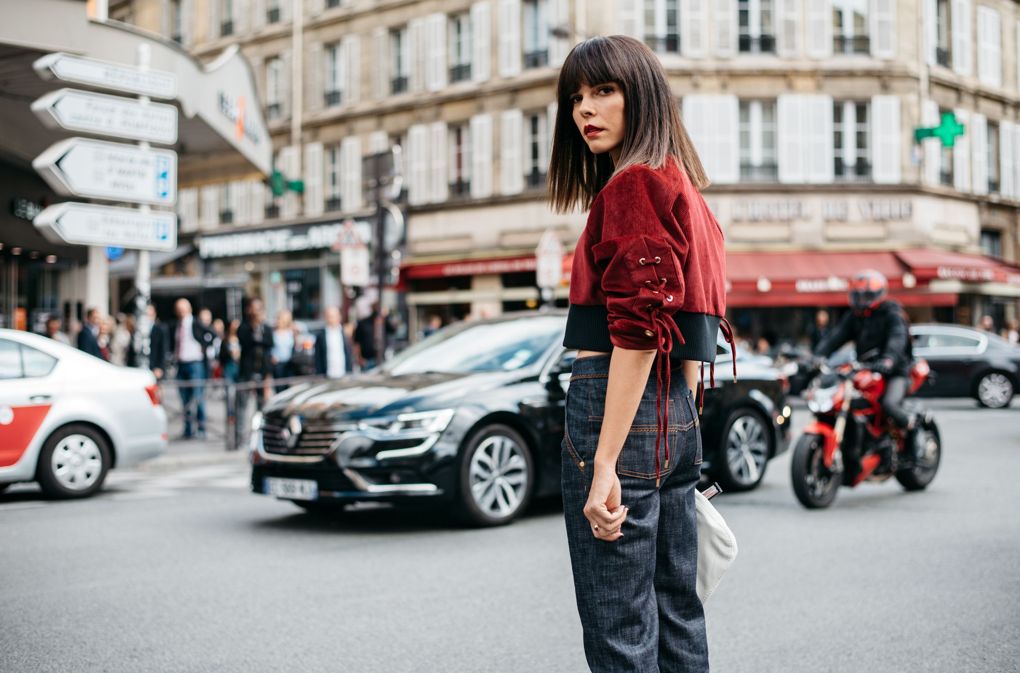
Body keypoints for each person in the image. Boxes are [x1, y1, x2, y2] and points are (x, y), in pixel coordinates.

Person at [550, 36, 729, 672]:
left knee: (619, 621)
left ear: (642, 95)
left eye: (603, 90)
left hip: (618, 409)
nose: (583, 110)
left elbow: (637, 329)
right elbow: (687, 332)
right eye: (576, 97)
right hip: (674, 409)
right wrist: (675, 421)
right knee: (678, 607)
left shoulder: (632, 186)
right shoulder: (688, 191)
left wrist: (605, 462)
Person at [814, 270, 914, 434]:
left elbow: (897, 339)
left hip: (894, 371)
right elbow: (835, 337)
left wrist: (888, 359)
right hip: (865, 368)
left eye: (866, 295)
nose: (861, 300)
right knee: (845, 400)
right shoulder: (855, 316)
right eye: (858, 296)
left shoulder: (892, 313)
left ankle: (912, 427)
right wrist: (818, 355)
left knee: (889, 405)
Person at [169, 298, 216, 439]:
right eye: (178, 309)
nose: (181, 312)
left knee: (198, 396)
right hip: (181, 363)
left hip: (195, 363)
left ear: (188, 309)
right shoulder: (177, 325)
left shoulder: (195, 322)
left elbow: (212, 334)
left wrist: (204, 345)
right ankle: (188, 429)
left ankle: (202, 428)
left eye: (183, 309)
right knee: (185, 398)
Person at [236, 299, 274, 445]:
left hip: (263, 372)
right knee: (243, 406)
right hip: (247, 372)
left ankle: (262, 436)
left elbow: (269, 342)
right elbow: (246, 341)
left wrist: (260, 329)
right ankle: (240, 438)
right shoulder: (244, 326)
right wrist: (254, 327)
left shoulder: (266, 328)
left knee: (262, 406)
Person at [313, 307, 355, 379]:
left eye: (334, 316)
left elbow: (349, 354)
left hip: (344, 374)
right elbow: (318, 358)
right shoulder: (321, 335)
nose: (331, 319)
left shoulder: (345, 333)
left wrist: (350, 371)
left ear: (339, 317)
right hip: (327, 375)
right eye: (329, 316)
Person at [353, 303, 396, 370]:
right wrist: (359, 358)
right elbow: (356, 342)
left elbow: (393, 330)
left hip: (381, 359)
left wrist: (386, 316)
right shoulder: (363, 323)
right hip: (367, 360)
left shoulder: (384, 323)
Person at [271, 309, 297, 390]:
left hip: (289, 364)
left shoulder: (291, 332)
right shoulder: (273, 333)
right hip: (277, 364)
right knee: (279, 388)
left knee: (288, 388)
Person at [144, 304, 168, 381]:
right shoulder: (138, 329)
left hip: (154, 368)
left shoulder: (160, 329)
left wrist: (160, 367)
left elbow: (164, 349)